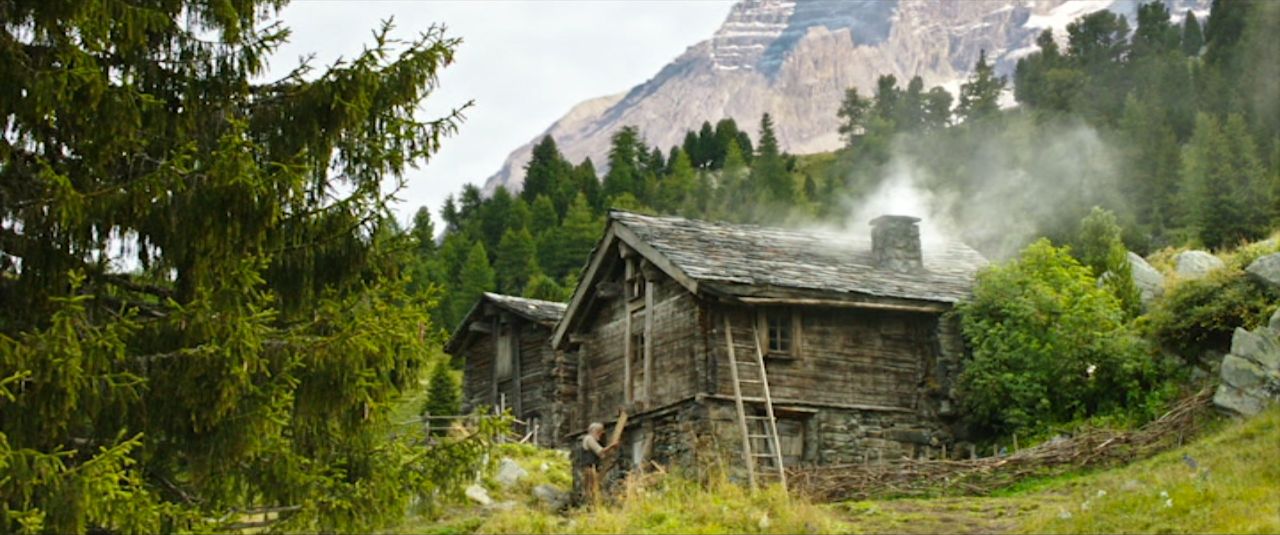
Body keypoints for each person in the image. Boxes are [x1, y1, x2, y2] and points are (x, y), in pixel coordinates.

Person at [579, 422, 616, 504]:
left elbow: (601, 455)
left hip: (593, 467)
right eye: (599, 432)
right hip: (589, 468)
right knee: (591, 489)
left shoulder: (591, 439)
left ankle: (593, 505)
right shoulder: (589, 438)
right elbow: (599, 450)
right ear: (594, 431)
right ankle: (591, 506)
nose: (600, 435)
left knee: (594, 488)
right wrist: (612, 446)